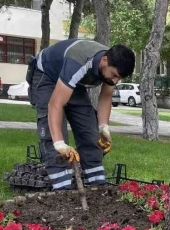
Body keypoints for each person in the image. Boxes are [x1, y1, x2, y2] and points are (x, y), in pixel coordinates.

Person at [30, 39, 135, 190]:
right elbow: (55, 104)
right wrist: (59, 144)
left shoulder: (112, 64)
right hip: (47, 75)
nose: (115, 80)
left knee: (89, 131)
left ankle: (98, 187)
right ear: (104, 60)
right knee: (54, 136)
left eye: (119, 78)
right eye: (114, 75)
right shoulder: (78, 61)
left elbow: (105, 97)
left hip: (71, 81)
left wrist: (103, 128)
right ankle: (63, 191)